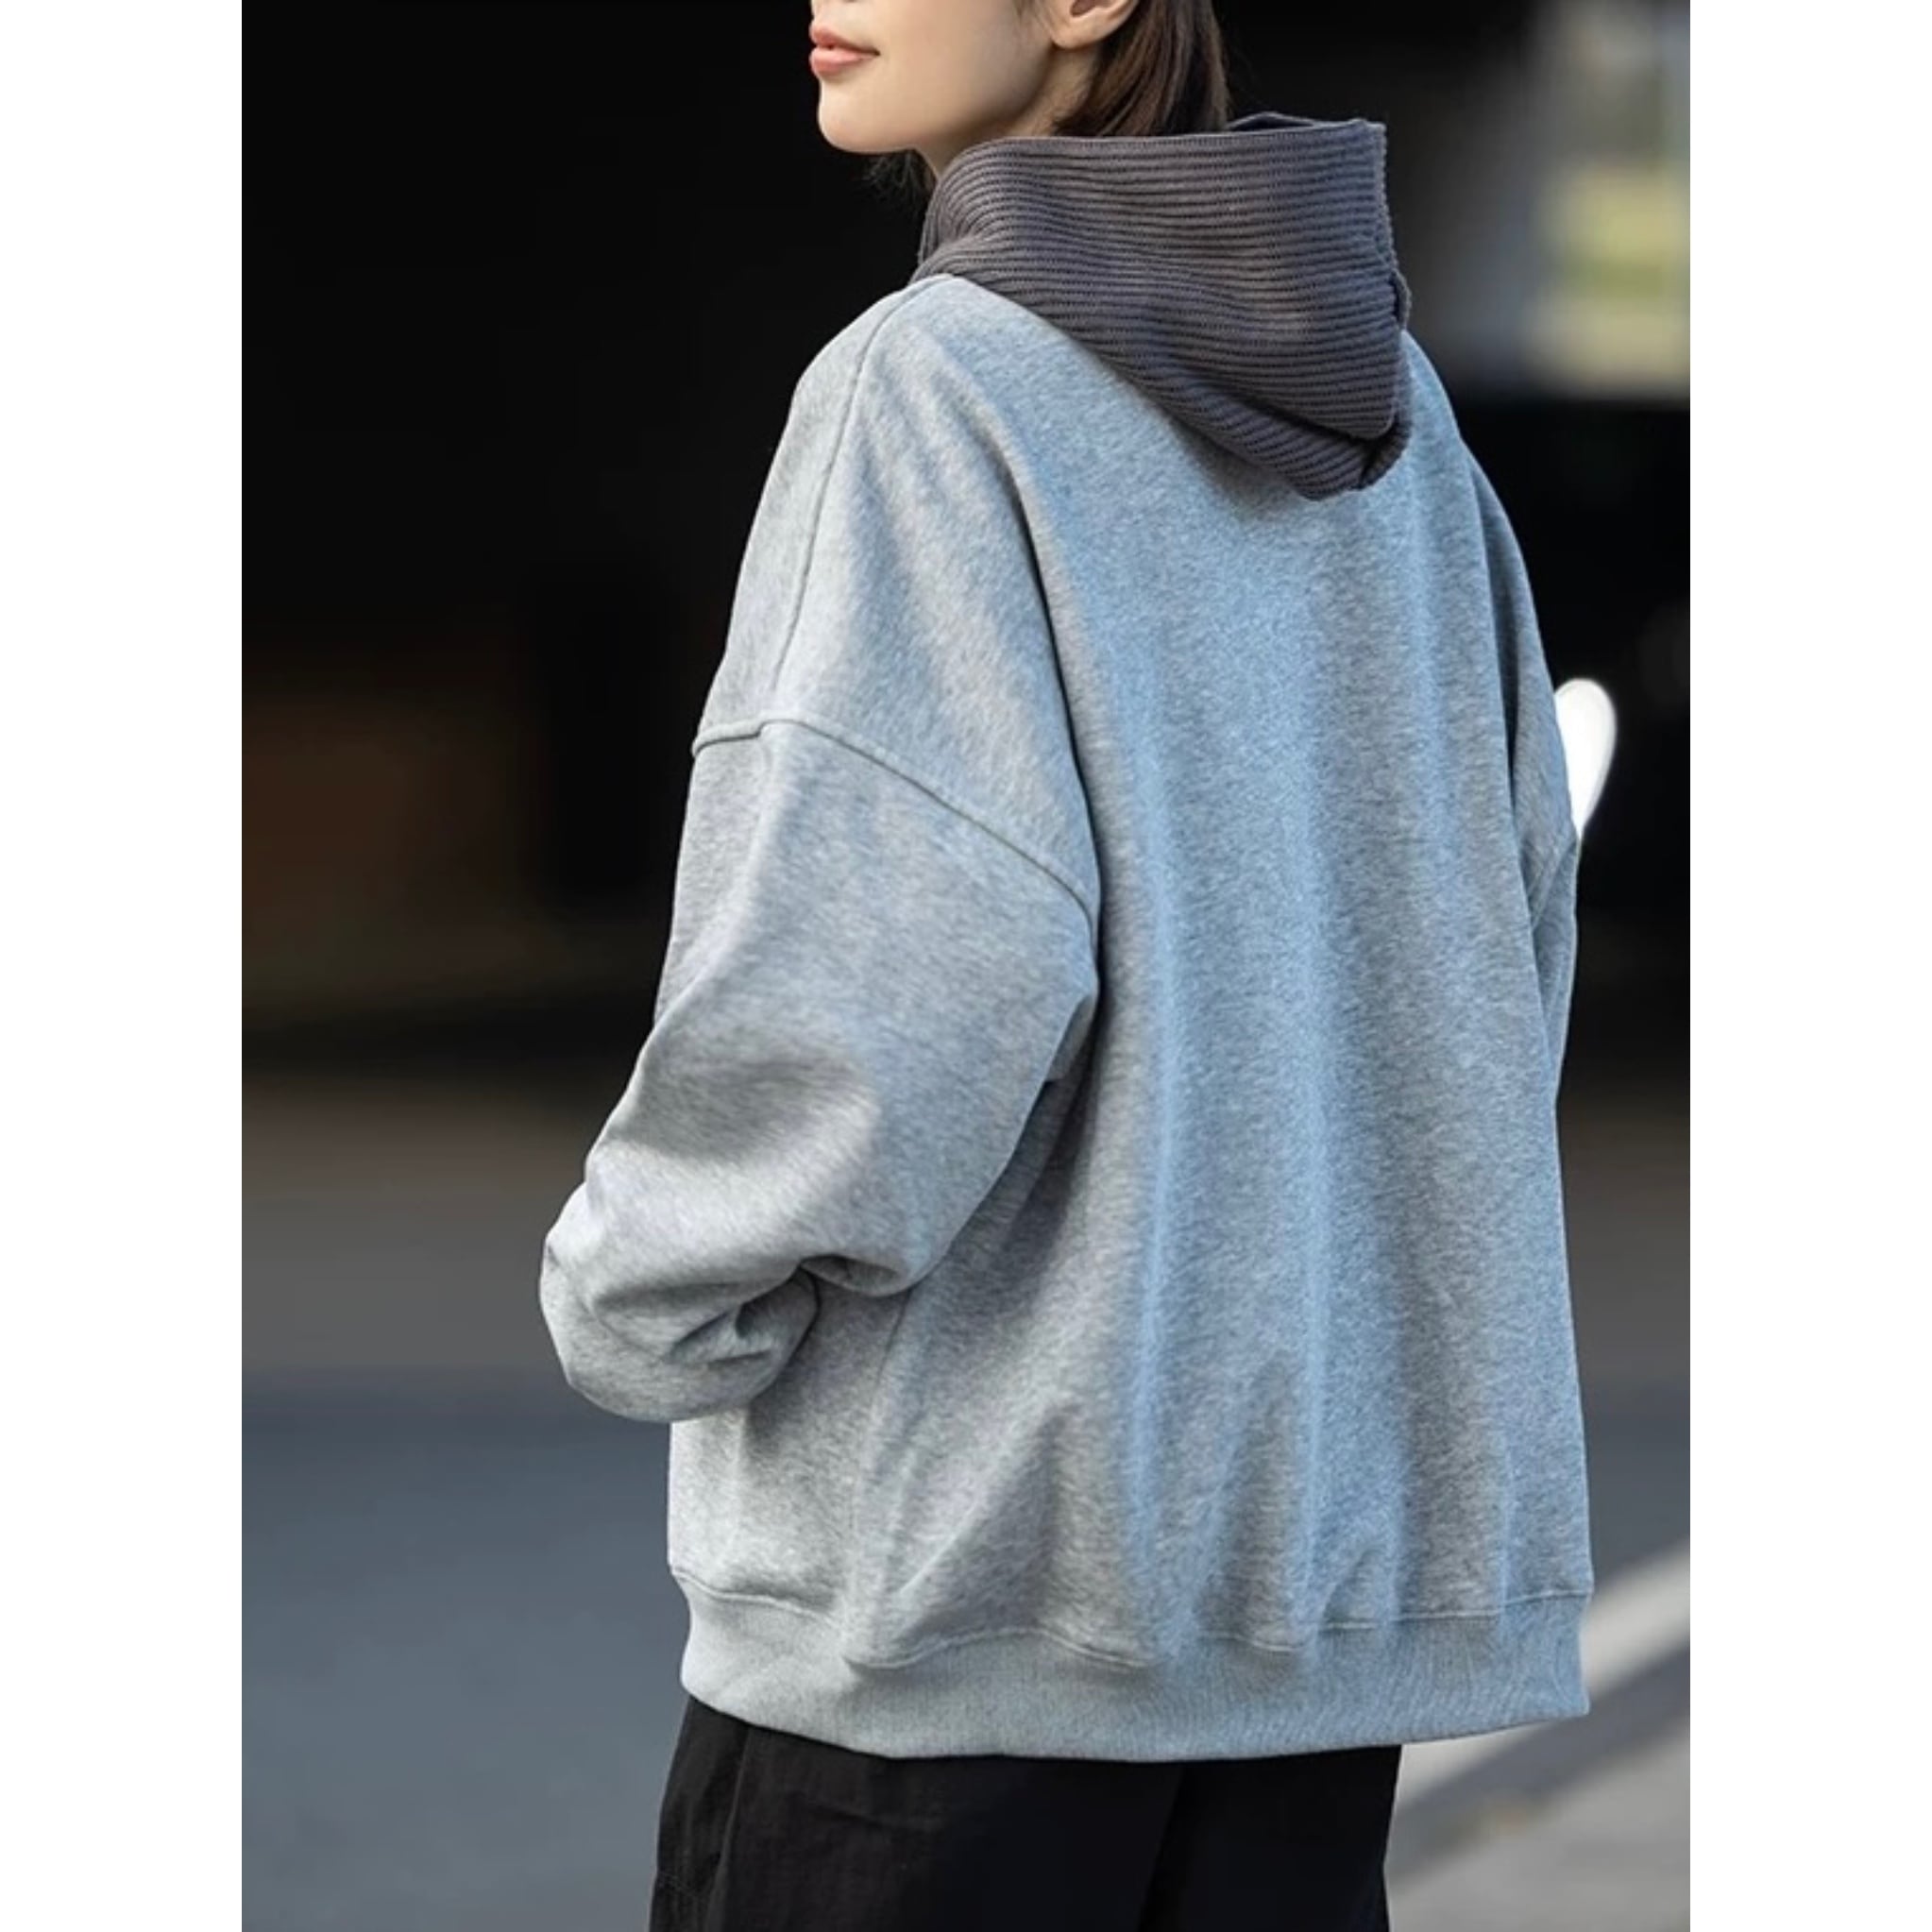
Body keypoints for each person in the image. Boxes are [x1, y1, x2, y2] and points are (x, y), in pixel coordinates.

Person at [536, 1, 1593, 1925]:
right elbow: (1500, 940)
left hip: (959, 1619)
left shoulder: (929, 387)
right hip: (1303, 1623)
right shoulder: (1396, 417)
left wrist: (646, 1285)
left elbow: (880, 963)